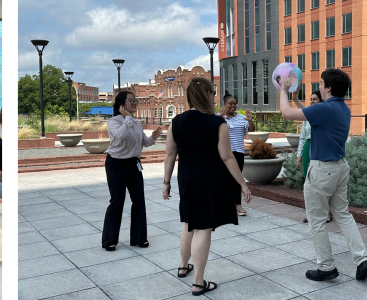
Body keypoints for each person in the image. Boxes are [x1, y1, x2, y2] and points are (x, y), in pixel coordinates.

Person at [278, 69, 367, 281]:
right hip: (340, 167)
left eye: (320, 83)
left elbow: (287, 113)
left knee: (317, 220)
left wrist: (284, 90)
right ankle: (361, 260)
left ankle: (326, 266)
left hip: (322, 171)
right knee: (343, 215)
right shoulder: (342, 108)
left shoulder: (324, 109)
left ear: (328, 87)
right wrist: (295, 98)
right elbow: (312, 115)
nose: (318, 86)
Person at [163, 77, 251, 296]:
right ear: (209, 95)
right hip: (208, 178)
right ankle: (198, 282)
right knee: (203, 227)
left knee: (188, 222)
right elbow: (227, 157)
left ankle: (183, 265)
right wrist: (243, 184)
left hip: (186, 178)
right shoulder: (217, 123)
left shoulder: (177, 121)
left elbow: (170, 154)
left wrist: (166, 182)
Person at [101, 91, 163, 251]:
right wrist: (127, 118)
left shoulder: (136, 122)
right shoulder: (114, 122)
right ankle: (109, 240)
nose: (135, 103)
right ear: (121, 105)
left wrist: (154, 137)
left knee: (139, 201)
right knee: (117, 201)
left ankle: (139, 238)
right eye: (131, 101)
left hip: (133, 165)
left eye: (135, 100)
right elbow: (120, 136)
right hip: (116, 164)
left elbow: (144, 142)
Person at [295, 91, 332, 224]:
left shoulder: (325, 113)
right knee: (309, 182)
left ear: (321, 101)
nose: (311, 101)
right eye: (310, 99)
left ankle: (327, 212)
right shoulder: (308, 115)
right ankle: (311, 213)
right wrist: (299, 154)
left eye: (314, 99)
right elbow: (303, 136)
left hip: (321, 147)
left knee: (321, 181)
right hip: (308, 147)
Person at [216, 94, 255, 216]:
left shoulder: (242, 118)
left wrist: (250, 121)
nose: (233, 105)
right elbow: (212, 133)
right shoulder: (217, 117)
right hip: (223, 153)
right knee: (222, 179)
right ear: (224, 105)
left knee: (237, 180)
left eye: (235, 103)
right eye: (230, 103)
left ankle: (238, 205)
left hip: (238, 152)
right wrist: (219, 120)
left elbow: (252, 130)